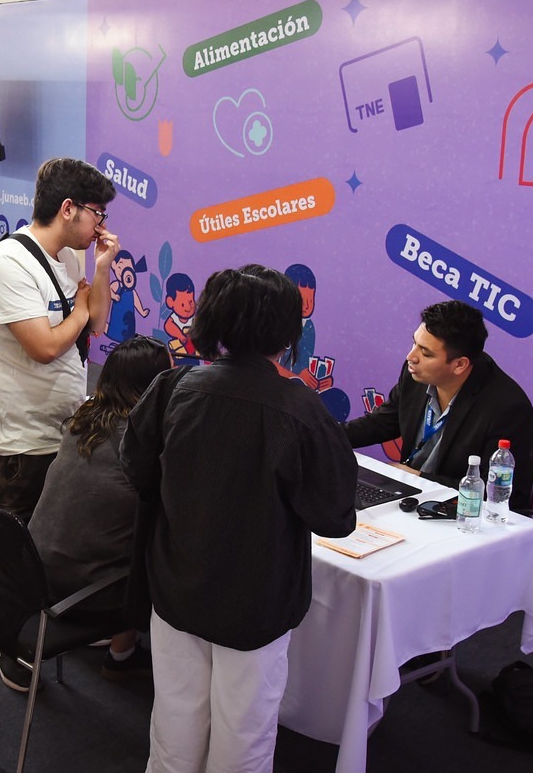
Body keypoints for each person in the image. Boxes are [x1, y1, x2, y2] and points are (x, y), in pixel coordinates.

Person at [122, 265, 358, 773]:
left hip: (176, 588)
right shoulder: (303, 410)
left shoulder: (173, 387)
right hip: (256, 603)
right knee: (244, 737)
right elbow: (334, 516)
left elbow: (137, 471)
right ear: (287, 330)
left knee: (173, 727)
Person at [0, 335, 173, 692]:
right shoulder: (145, 441)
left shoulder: (82, 418)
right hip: (85, 595)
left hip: (35, 578)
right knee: (158, 550)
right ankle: (122, 656)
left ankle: (119, 650)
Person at [0, 157, 118, 523]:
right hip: (18, 444)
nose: (100, 225)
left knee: (49, 553)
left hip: (61, 431)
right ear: (68, 209)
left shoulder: (68, 257)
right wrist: (80, 310)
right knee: (11, 560)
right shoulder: (9, 264)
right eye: (97, 213)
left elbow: (97, 323)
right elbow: (45, 348)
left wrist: (102, 268)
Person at [344, 300, 533, 508]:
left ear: (459, 365)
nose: (411, 356)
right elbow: (382, 423)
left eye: (426, 353)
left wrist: (418, 477)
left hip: (456, 510)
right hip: (409, 496)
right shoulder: (416, 373)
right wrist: (321, 436)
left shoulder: (507, 408)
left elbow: (490, 492)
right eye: (414, 343)